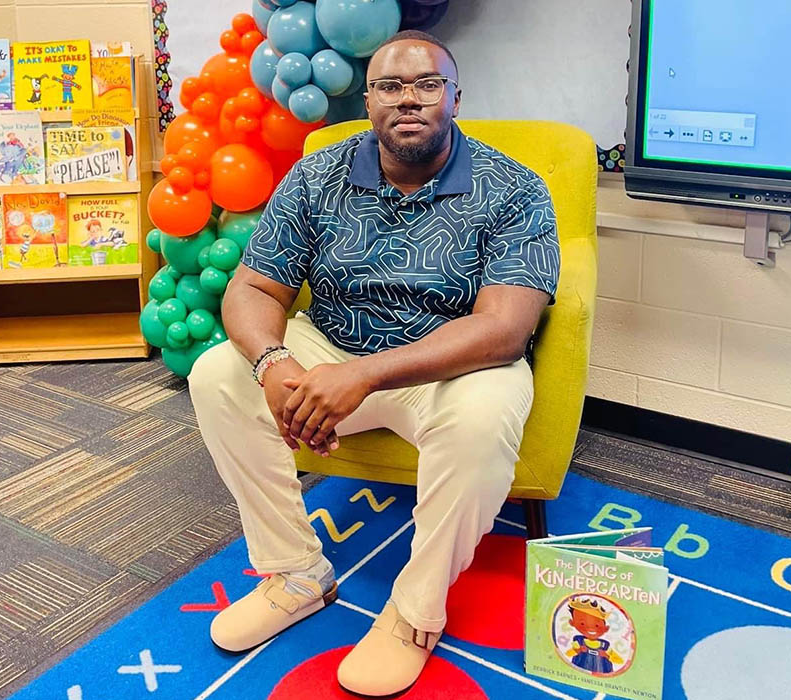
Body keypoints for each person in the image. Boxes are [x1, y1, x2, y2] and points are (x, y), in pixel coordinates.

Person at [188, 29, 560, 697]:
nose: (409, 99)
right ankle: (296, 573)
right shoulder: (318, 173)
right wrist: (276, 365)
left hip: (448, 365)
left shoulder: (515, 189)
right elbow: (253, 286)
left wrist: (364, 376)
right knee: (216, 374)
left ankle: (415, 613)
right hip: (330, 347)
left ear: (454, 98)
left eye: (427, 84)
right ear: (368, 100)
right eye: (391, 86)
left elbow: (504, 330)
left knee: (484, 416)